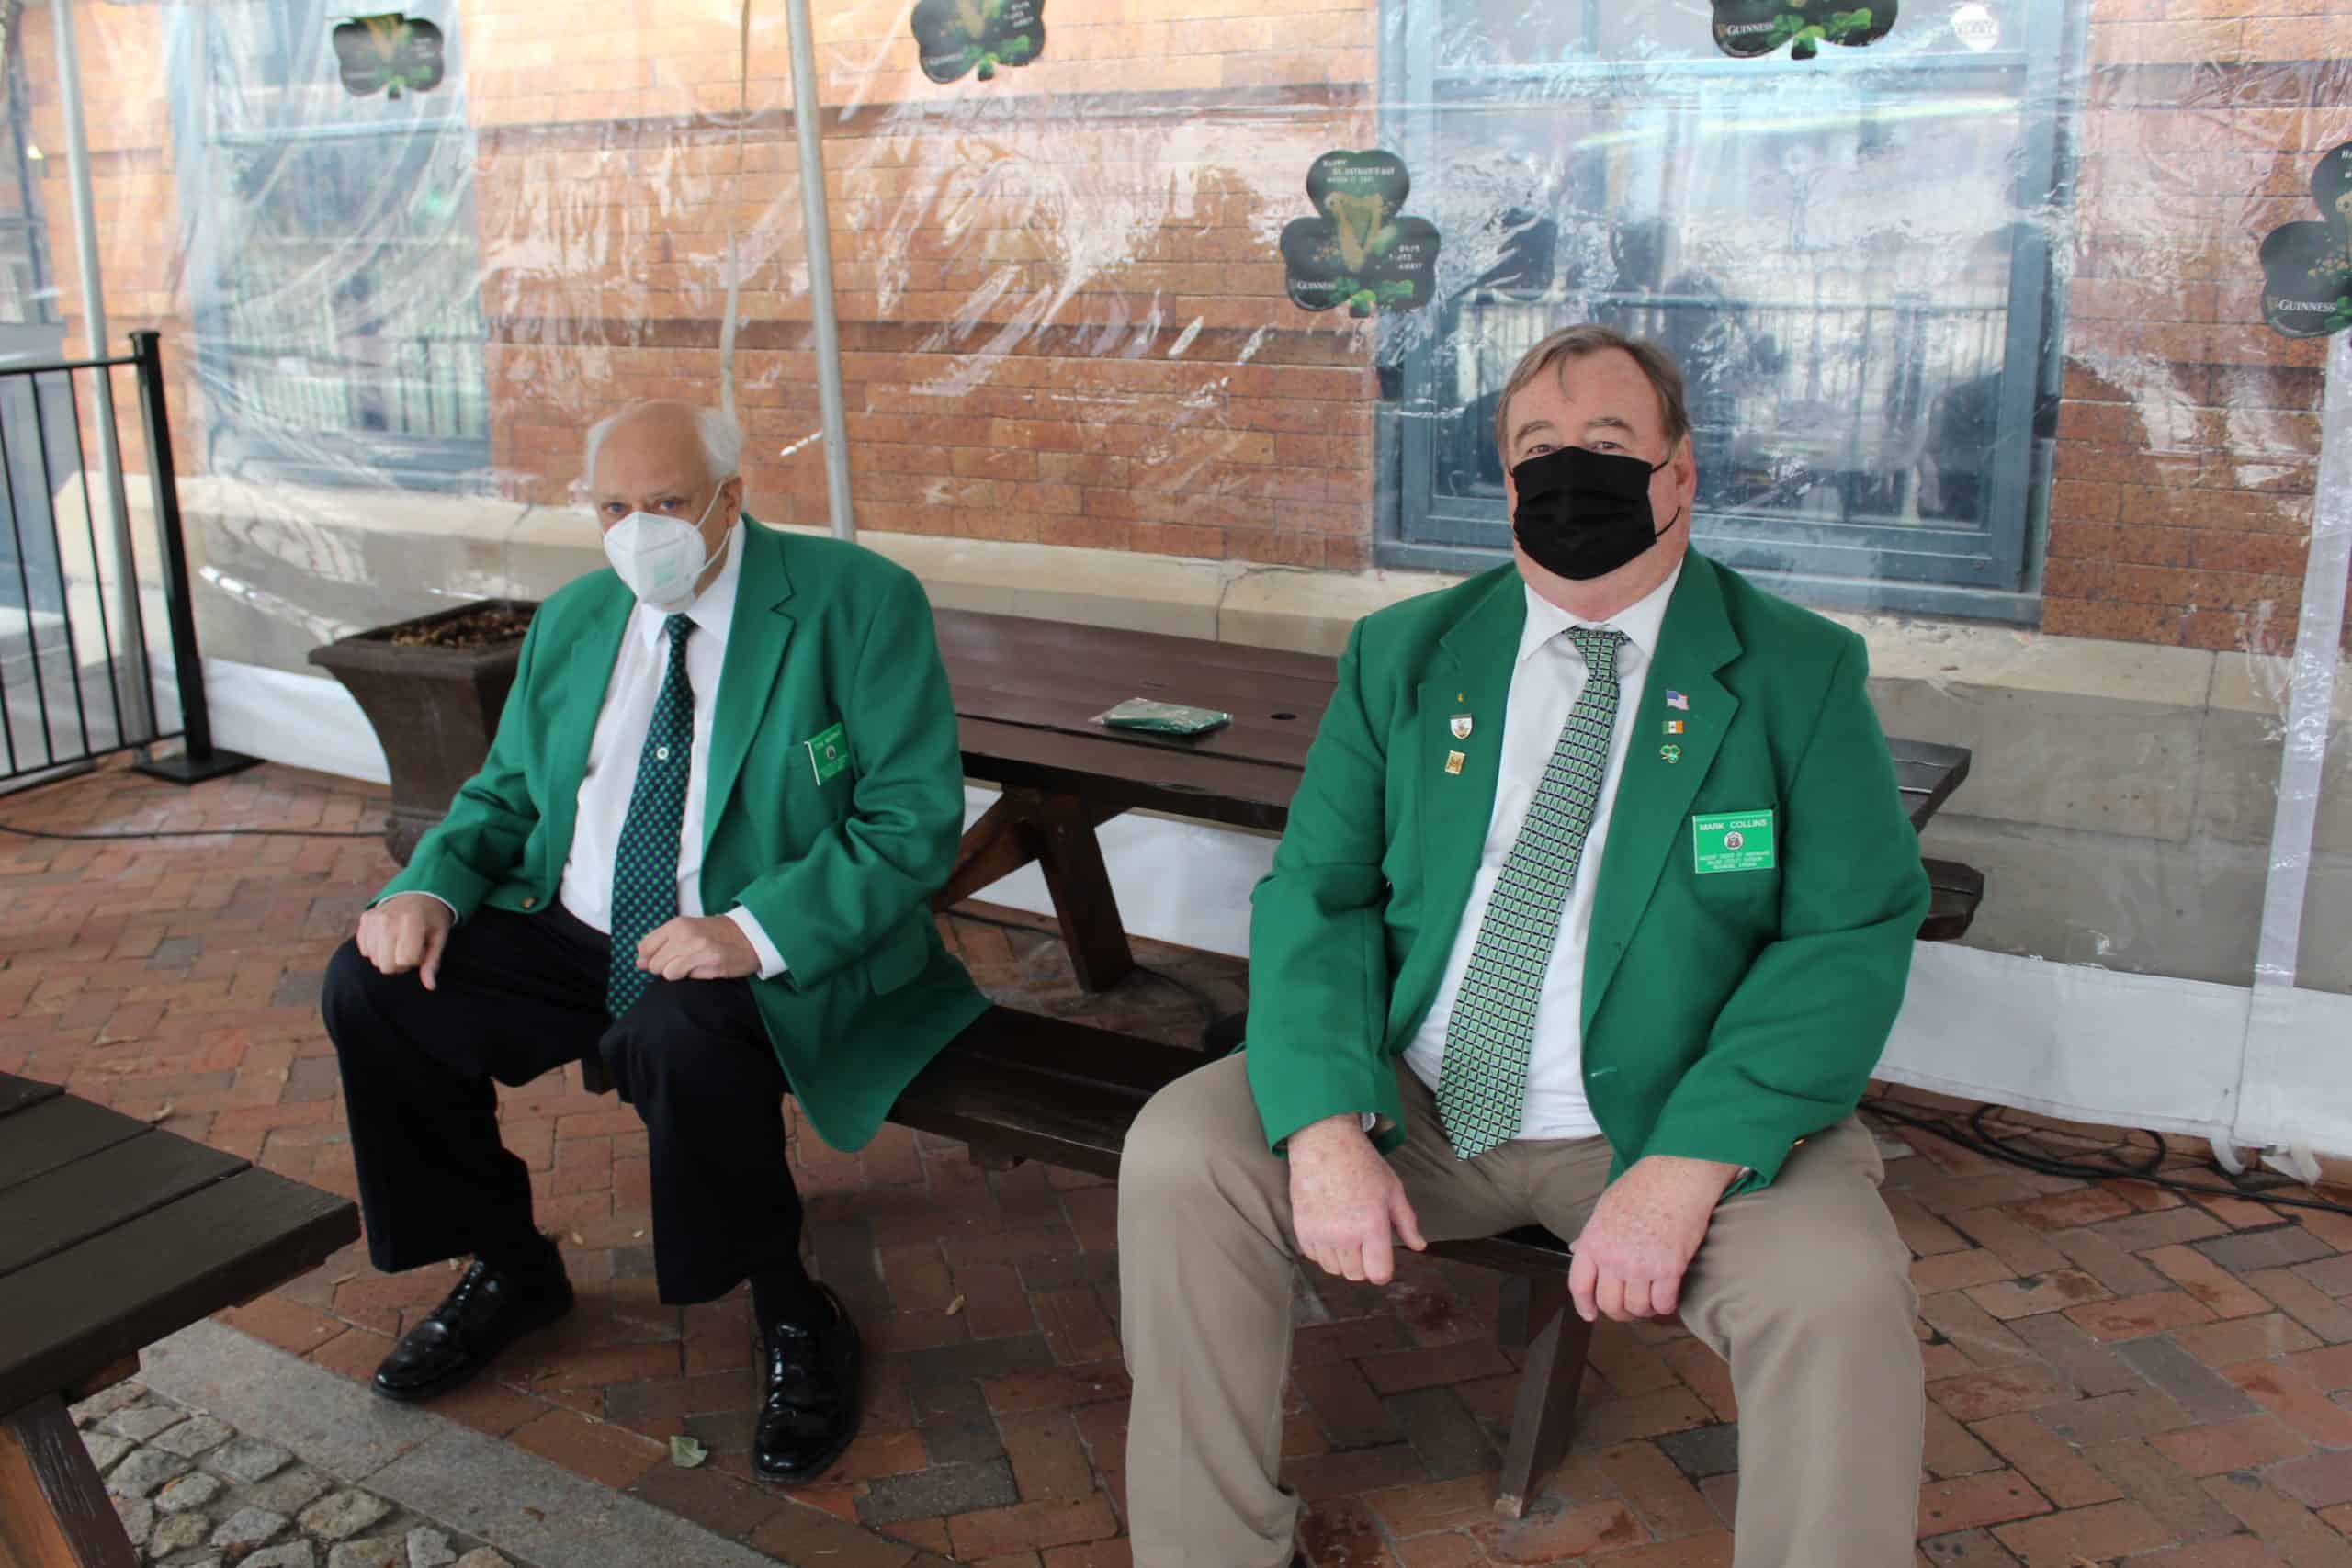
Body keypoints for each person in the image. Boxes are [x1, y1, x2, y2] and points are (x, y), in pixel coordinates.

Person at [1118, 325, 1930, 1568]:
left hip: (1662, 1117)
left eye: (1607, 441)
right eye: (1537, 448)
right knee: (1184, 1151)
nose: (1569, 472)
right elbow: (1318, 895)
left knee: (1838, 1286)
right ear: (1504, 485)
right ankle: (1208, 1551)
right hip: (1421, 1097)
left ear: (1679, 472)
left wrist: (1685, 1167)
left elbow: (1846, 938)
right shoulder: (1408, 653)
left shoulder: (1795, 672)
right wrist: (1326, 1123)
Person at [320, 400, 986, 1483]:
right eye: (614, 507)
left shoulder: (856, 601)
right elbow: (503, 792)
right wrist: (426, 887)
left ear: (731, 497)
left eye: (668, 503)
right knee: (374, 990)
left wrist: (753, 930)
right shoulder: (577, 616)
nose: (639, 531)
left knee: (683, 1037)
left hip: (752, 931)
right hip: (574, 923)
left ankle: (789, 1305)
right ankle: (511, 1263)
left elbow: (910, 822)